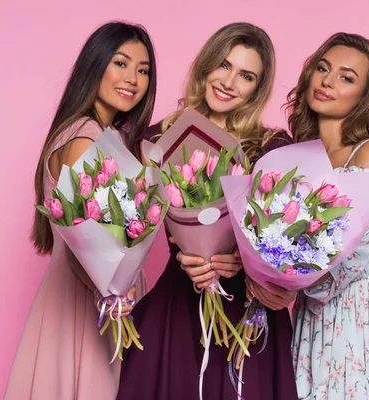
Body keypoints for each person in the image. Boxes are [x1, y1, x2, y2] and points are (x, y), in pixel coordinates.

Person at [117, 22, 297, 400]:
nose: (229, 82)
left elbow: (285, 240)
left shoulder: (272, 147)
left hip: (249, 316)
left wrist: (244, 264)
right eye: (224, 65)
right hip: (178, 307)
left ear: (257, 88)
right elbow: (130, 230)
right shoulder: (154, 140)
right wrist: (184, 256)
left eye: (246, 75)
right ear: (205, 65)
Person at [261, 32, 369, 399]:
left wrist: (286, 285)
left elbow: (353, 257)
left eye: (346, 77)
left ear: (363, 96)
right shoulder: (297, 157)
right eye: (323, 68)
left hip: (361, 313)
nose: (328, 81)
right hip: (313, 316)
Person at [5, 21, 157, 400]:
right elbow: (91, 241)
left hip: (90, 300)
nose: (133, 79)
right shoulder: (84, 139)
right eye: (121, 64)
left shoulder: (94, 134)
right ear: (95, 65)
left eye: (143, 70)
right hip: (87, 303)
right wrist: (113, 294)